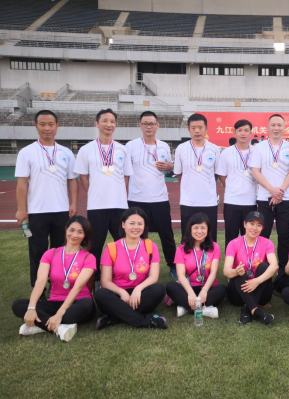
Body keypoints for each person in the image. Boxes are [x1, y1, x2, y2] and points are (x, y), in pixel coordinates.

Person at [15, 110, 78, 288]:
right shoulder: (26, 152)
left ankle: (58, 287)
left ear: (57, 126)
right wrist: (22, 209)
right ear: (35, 126)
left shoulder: (66, 152)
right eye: (42, 124)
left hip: (61, 211)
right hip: (37, 212)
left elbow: (72, 180)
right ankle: (39, 290)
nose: (47, 128)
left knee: (61, 252)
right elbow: (22, 183)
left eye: (51, 124)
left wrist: (73, 203)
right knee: (38, 253)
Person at [12, 215, 96, 342]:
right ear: (66, 230)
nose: (75, 235)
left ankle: (40, 324)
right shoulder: (50, 254)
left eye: (80, 232)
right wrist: (31, 308)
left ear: (85, 235)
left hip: (78, 302)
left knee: (86, 306)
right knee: (18, 305)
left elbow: (78, 287)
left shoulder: (88, 258)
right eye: (72, 230)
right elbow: (40, 282)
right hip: (54, 302)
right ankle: (60, 327)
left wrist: (60, 312)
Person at [73, 109, 133, 284]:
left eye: (112, 121)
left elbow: (126, 176)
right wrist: (93, 192)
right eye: (105, 121)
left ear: (115, 125)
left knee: (122, 243)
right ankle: (95, 280)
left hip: (119, 206)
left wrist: (121, 194)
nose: (109, 124)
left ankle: (121, 276)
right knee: (95, 245)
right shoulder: (86, 150)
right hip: (96, 206)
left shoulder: (122, 149)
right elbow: (83, 176)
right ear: (97, 123)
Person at [94, 207, 167, 330]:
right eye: (132, 223)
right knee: (101, 294)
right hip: (118, 293)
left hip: (141, 293)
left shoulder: (150, 246)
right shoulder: (112, 248)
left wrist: (138, 289)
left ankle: (114, 317)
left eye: (140, 224)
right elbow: (105, 281)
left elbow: (154, 277)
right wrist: (121, 292)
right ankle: (147, 321)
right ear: (123, 224)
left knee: (158, 289)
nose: (136, 227)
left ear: (144, 226)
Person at [126, 111, 177, 278]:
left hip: (159, 198)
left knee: (166, 234)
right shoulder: (131, 146)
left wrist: (169, 167)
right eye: (145, 123)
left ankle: (173, 265)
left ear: (157, 126)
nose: (149, 126)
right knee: (138, 234)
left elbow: (170, 167)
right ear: (140, 125)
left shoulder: (163, 146)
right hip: (137, 198)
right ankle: (139, 266)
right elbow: (125, 172)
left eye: (152, 124)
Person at [250, 114, 289, 278]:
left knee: (284, 235)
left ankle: (283, 271)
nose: (276, 128)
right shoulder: (259, 148)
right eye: (273, 125)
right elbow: (255, 171)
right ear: (268, 127)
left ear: (284, 127)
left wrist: (280, 191)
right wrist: (272, 190)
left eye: (279, 125)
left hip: (285, 199)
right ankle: (261, 269)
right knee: (263, 235)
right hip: (264, 198)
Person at [166, 213, 226, 319]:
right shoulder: (181, 249)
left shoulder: (214, 247)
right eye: (196, 228)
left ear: (208, 229)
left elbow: (214, 273)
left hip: (207, 287)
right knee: (170, 286)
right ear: (190, 229)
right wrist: (190, 293)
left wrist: (204, 290)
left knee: (222, 289)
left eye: (203, 228)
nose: (199, 231)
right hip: (188, 287)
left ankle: (186, 307)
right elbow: (181, 275)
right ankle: (205, 309)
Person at [223, 211, 278, 325]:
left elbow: (274, 266)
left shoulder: (267, 243)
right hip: (238, 294)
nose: (255, 228)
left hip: (261, 293)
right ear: (245, 224)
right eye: (252, 223)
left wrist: (256, 281)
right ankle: (257, 311)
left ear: (262, 228)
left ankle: (247, 308)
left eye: (259, 225)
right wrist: (235, 271)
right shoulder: (233, 244)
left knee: (264, 266)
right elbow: (226, 271)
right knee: (239, 271)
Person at [174, 113, 220, 242]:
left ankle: (210, 256)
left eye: (200, 127)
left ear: (206, 129)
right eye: (193, 128)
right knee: (188, 237)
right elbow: (179, 173)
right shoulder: (181, 149)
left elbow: (216, 173)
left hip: (209, 201)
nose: (197, 131)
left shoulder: (214, 149)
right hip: (188, 201)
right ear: (188, 129)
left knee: (209, 237)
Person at [217, 119, 258, 250]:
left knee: (250, 238)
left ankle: (249, 262)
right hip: (232, 202)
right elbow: (222, 176)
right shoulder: (226, 153)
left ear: (251, 133)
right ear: (234, 133)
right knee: (231, 237)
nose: (243, 133)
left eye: (246, 130)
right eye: (240, 130)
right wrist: (231, 187)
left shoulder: (257, 152)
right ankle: (231, 262)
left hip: (251, 202)